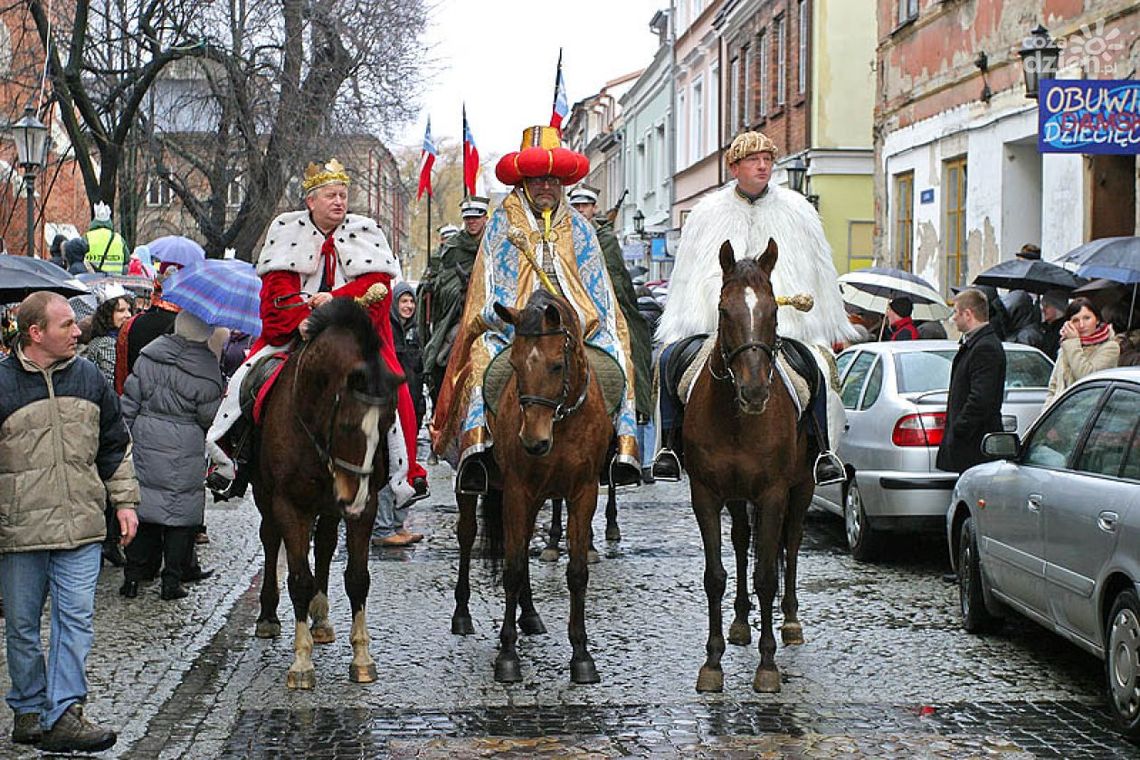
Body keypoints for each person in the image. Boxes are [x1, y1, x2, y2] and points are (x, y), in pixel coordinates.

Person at [205, 158, 428, 507]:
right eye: (331, 195)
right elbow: (276, 292)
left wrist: (335, 302)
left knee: (396, 393)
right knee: (245, 382)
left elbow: (377, 288)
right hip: (296, 333)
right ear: (311, 201)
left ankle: (406, 475)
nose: (339, 202)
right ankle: (230, 460)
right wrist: (306, 313)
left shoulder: (366, 233)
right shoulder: (285, 232)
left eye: (343, 195)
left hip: (356, 336)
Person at [431, 125, 641, 493]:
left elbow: (598, 288)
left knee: (620, 355)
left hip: (575, 325)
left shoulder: (580, 228)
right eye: (538, 179)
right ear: (524, 182)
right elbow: (489, 284)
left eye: (553, 179)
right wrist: (512, 319)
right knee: (481, 361)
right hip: (512, 326)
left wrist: (589, 322)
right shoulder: (500, 223)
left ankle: (622, 449)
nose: (546, 187)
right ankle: (476, 449)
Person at [652, 130, 857, 484]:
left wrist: (814, 317)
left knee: (822, 369)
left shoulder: (799, 212)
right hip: (716, 330)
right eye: (753, 160)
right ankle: (668, 448)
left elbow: (819, 271)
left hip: (787, 326)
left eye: (767, 160)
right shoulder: (705, 214)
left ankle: (823, 452)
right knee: (668, 361)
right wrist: (689, 321)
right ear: (734, 168)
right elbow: (687, 277)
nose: (763, 166)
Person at [0, 291, 139, 753]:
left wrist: (124, 502)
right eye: (66, 325)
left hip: (80, 525)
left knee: (74, 620)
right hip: (20, 531)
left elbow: (115, 445)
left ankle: (64, 714)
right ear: (35, 333)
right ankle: (28, 709)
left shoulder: (89, 377)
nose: (78, 330)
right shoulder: (1, 383)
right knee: (21, 625)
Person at [120, 310, 224, 600]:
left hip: (145, 436)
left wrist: (123, 438)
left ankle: (133, 576)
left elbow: (130, 401)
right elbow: (209, 416)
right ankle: (171, 581)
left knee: (144, 505)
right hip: (185, 443)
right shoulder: (207, 368)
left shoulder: (149, 355)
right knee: (180, 514)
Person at [568, 184, 655, 428]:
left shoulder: (605, 239)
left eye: (584, 205)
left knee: (631, 347)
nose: (580, 210)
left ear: (594, 208)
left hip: (606, 310)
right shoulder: (557, 236)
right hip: (565, 308)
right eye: (575, 206)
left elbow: (618, 282)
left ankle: (637, 415)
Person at [420, 196, 489, 408]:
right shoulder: (452, 247)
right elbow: (443, 282)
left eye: (476, 218)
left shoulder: (495, 243)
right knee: (443, 353)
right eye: (468, 219)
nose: (472, 222)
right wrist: (457, 288)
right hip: (460, 312)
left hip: (491, 311)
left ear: (485, 218)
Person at [373, 282, 427, 547]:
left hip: (410, 409)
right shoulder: (388, 331)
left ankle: (397, 524)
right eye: (403, 301)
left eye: (411, 302)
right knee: (391, 463)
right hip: (393, 408)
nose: (408, 307)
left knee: (406, 466)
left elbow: (417, 371)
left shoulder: (414, 332)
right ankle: (383, 528)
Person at [936, 288, 1007, 474]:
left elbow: (981, 398)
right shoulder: (974, 343)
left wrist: (960, 429)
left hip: (975, 444)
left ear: (968, 314)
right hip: (971, 443)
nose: (953, 319)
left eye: (956, 312)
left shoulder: (985, 347)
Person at [1042, 296, 1119, 409]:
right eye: (1076, 320)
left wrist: (1073, 343)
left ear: (1097, 319)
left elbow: (1086, 377)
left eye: (1087, 318)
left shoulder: (1110, 347)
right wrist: (1047, 414)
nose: (1082, 325)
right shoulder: (1067, 345)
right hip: (1060, 416)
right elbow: (1053, 387)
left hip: (1088, 414)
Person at [81, 284, 132, 385]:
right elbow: (111, 382)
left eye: (129, 310)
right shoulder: (107, 342)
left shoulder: (113, 338)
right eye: (121, 311)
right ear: (107, 314)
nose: (128, 315)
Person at [83, 202, 128, 274]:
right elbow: (127, 260)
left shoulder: (87, 238)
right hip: (116, 282)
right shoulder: (119, 239)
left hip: (93, 281)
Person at [1038, 289, 1068, 360]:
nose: (1043, 309)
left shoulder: (1064, 330)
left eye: (1046, 306)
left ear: (1058, 308)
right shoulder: (1045, 327)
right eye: (1042, 306)